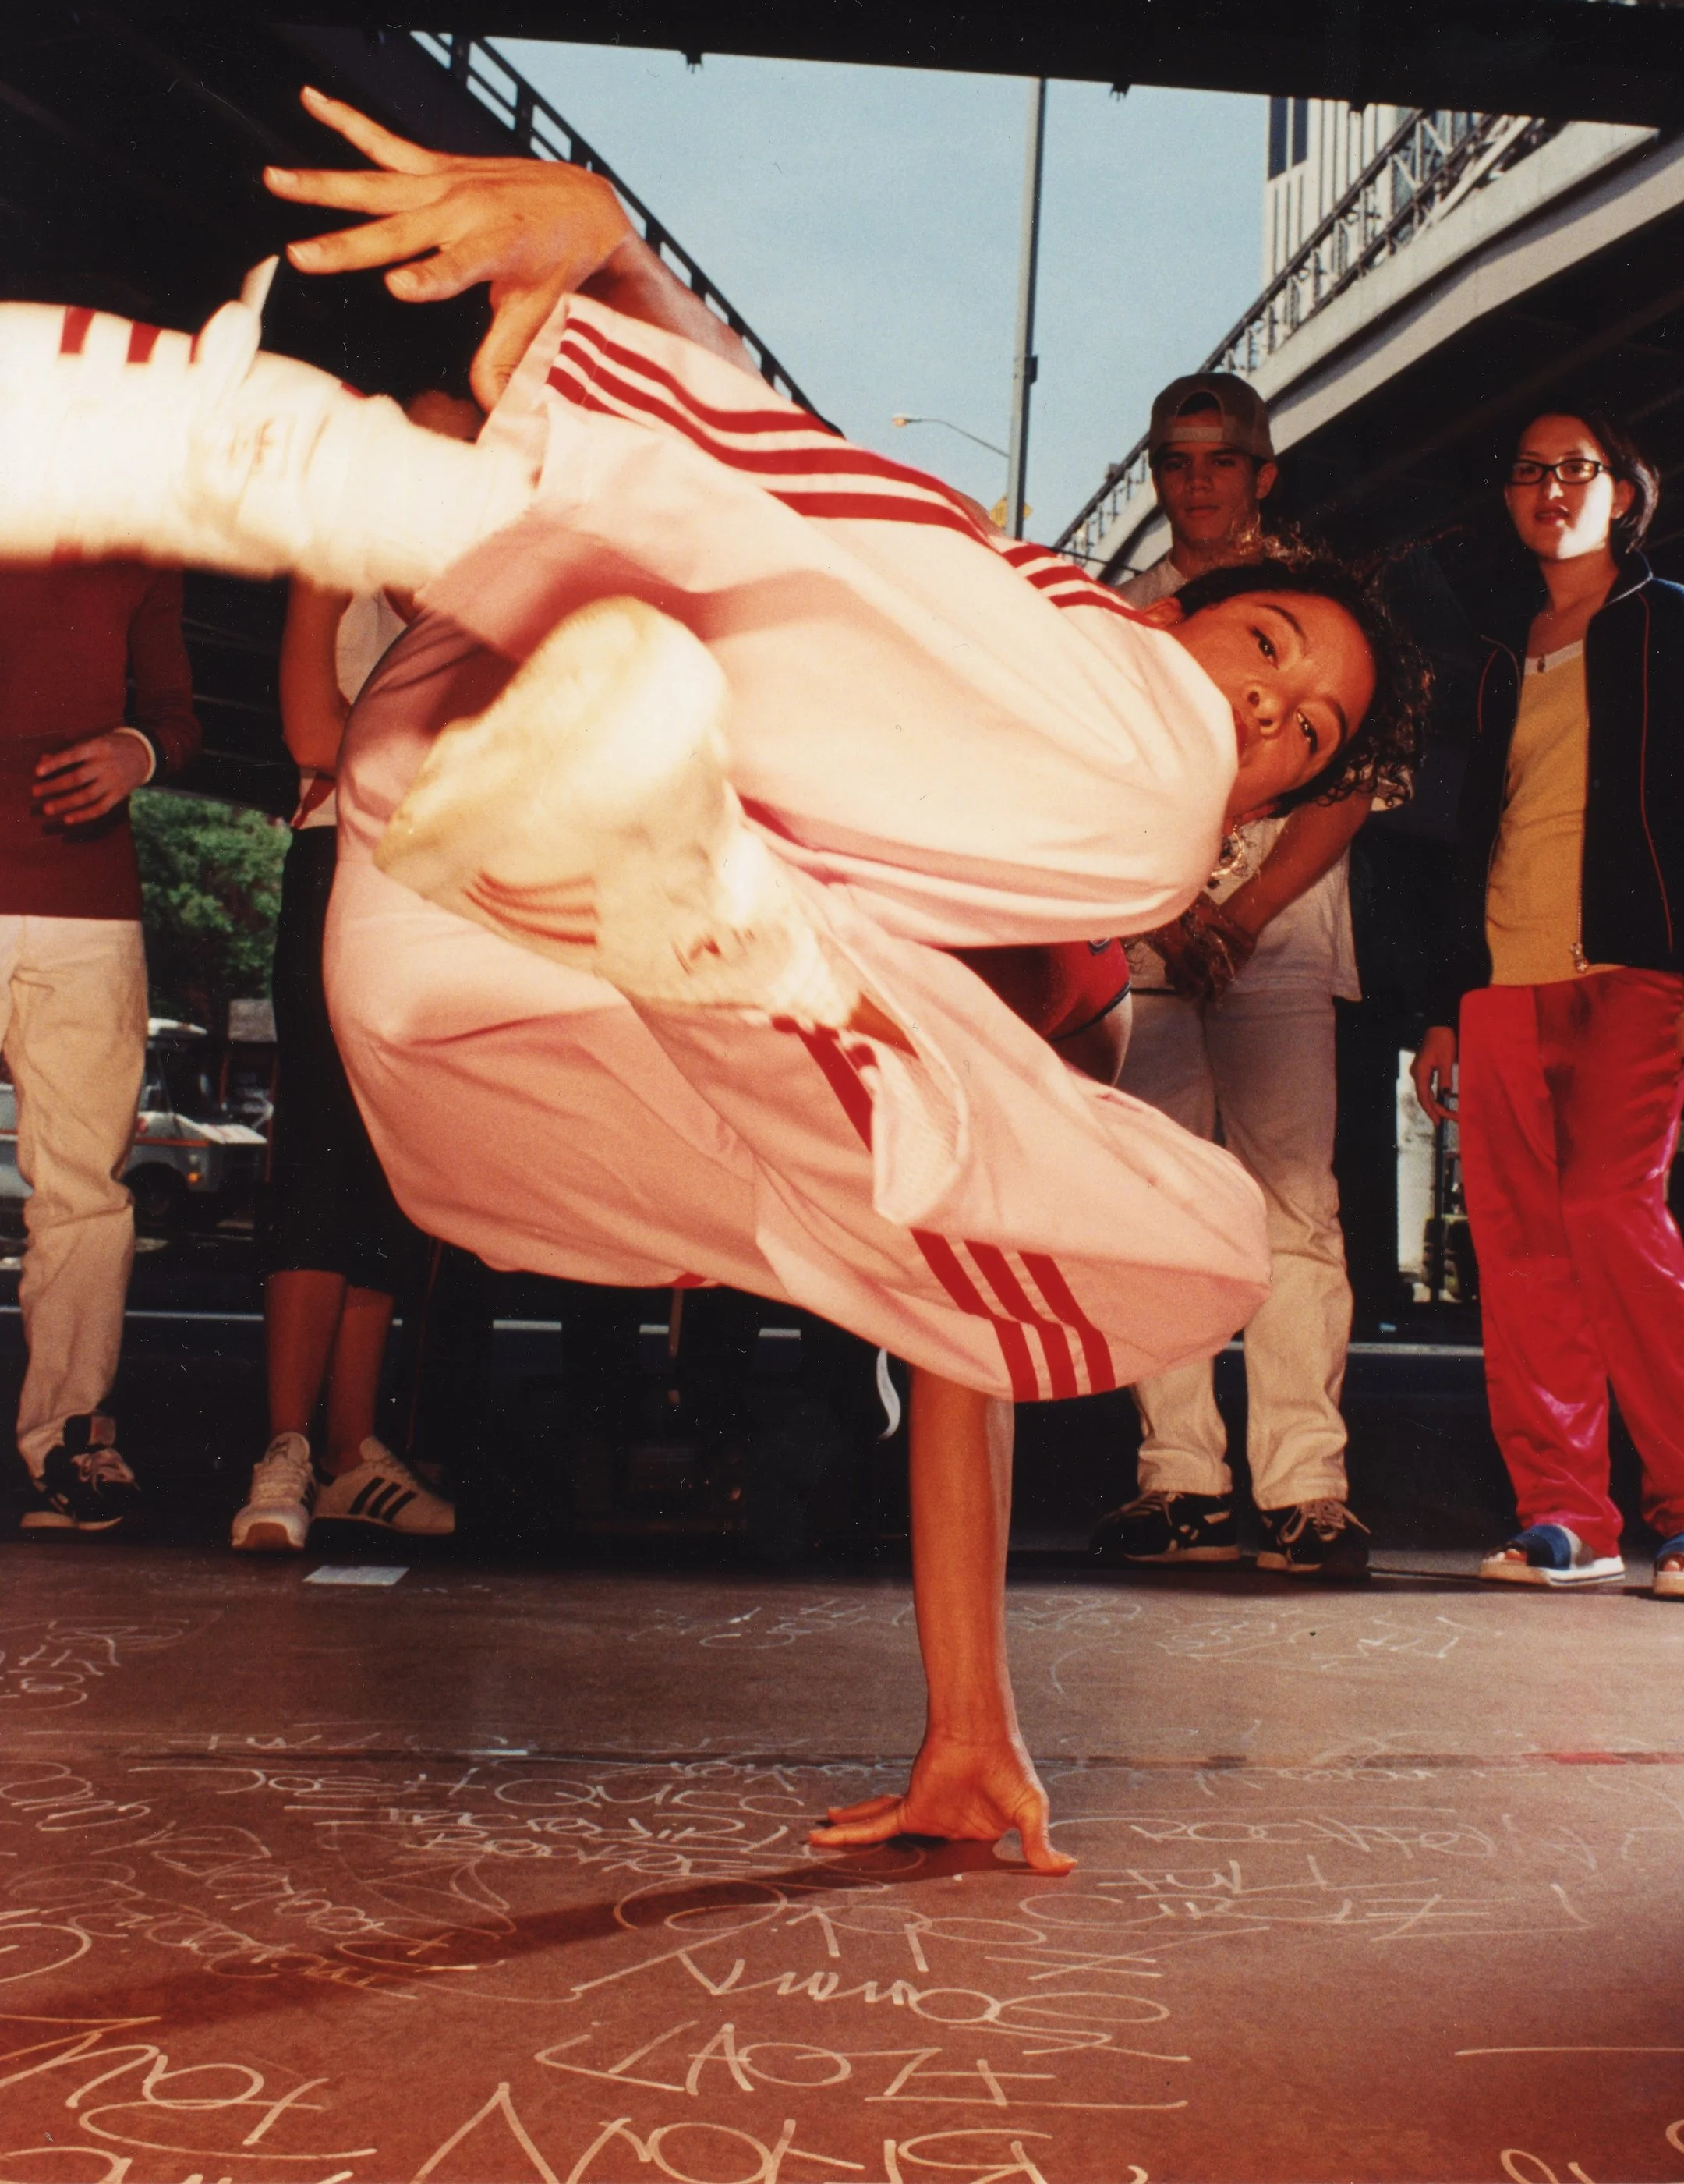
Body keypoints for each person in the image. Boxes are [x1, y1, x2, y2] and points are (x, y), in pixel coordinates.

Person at [0, 93, 1413, 1860]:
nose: (1267, 718)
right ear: (1179, 601)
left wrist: (971, 1722)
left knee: (1180, 1231)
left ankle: (662, 848)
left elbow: (951, 1311)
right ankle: (331, 477)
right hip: (510, 708)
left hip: (465, 952)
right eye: (1267, 650)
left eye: (1304, 738)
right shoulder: (1082, 669)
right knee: (1057, 755)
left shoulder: (1069, 928)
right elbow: (793, 490)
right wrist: (609, 253)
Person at [1411, 403, 1684, 1603]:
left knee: (1616, 1216)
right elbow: (1473, 835)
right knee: (1517, 1251)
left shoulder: (1675, 621)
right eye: (1528, 472)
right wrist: (1448, 1003)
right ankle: (1567, 1512)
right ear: (1509, 499)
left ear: (1624, 489)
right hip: (1505, 980)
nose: (1550, 489)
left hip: (1631, 972)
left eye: (1576, 469)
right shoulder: (1504, 654)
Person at [1089, 374, 1422, 1576]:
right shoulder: (1131, 611)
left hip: (1277, 946)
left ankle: (1303, 1488)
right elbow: (1112, 782)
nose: (1198, 483)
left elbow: (1347, 784)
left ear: (1262, 472)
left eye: (1220, 460)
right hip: (1154, 945)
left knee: (1295, 1209)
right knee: (1155, 1205)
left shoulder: (1319, 605)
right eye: (1176, 462)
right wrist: (1177, 914)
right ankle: (1179, 1478)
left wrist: (1243, 910)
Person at [230, 486, 465, 1552]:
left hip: (446, 881)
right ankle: (284, 1445)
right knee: (323, 1143)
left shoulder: (490, 581)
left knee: (395, 1164)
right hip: (343, 864)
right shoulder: (338, 561)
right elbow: (310, 727)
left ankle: (350, 1448)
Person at [1, 531, 200, 1530]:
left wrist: (141, 750)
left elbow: (175, 717)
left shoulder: (144, 532)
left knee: (84, 1190)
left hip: (89, 907)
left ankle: (70, 1442)